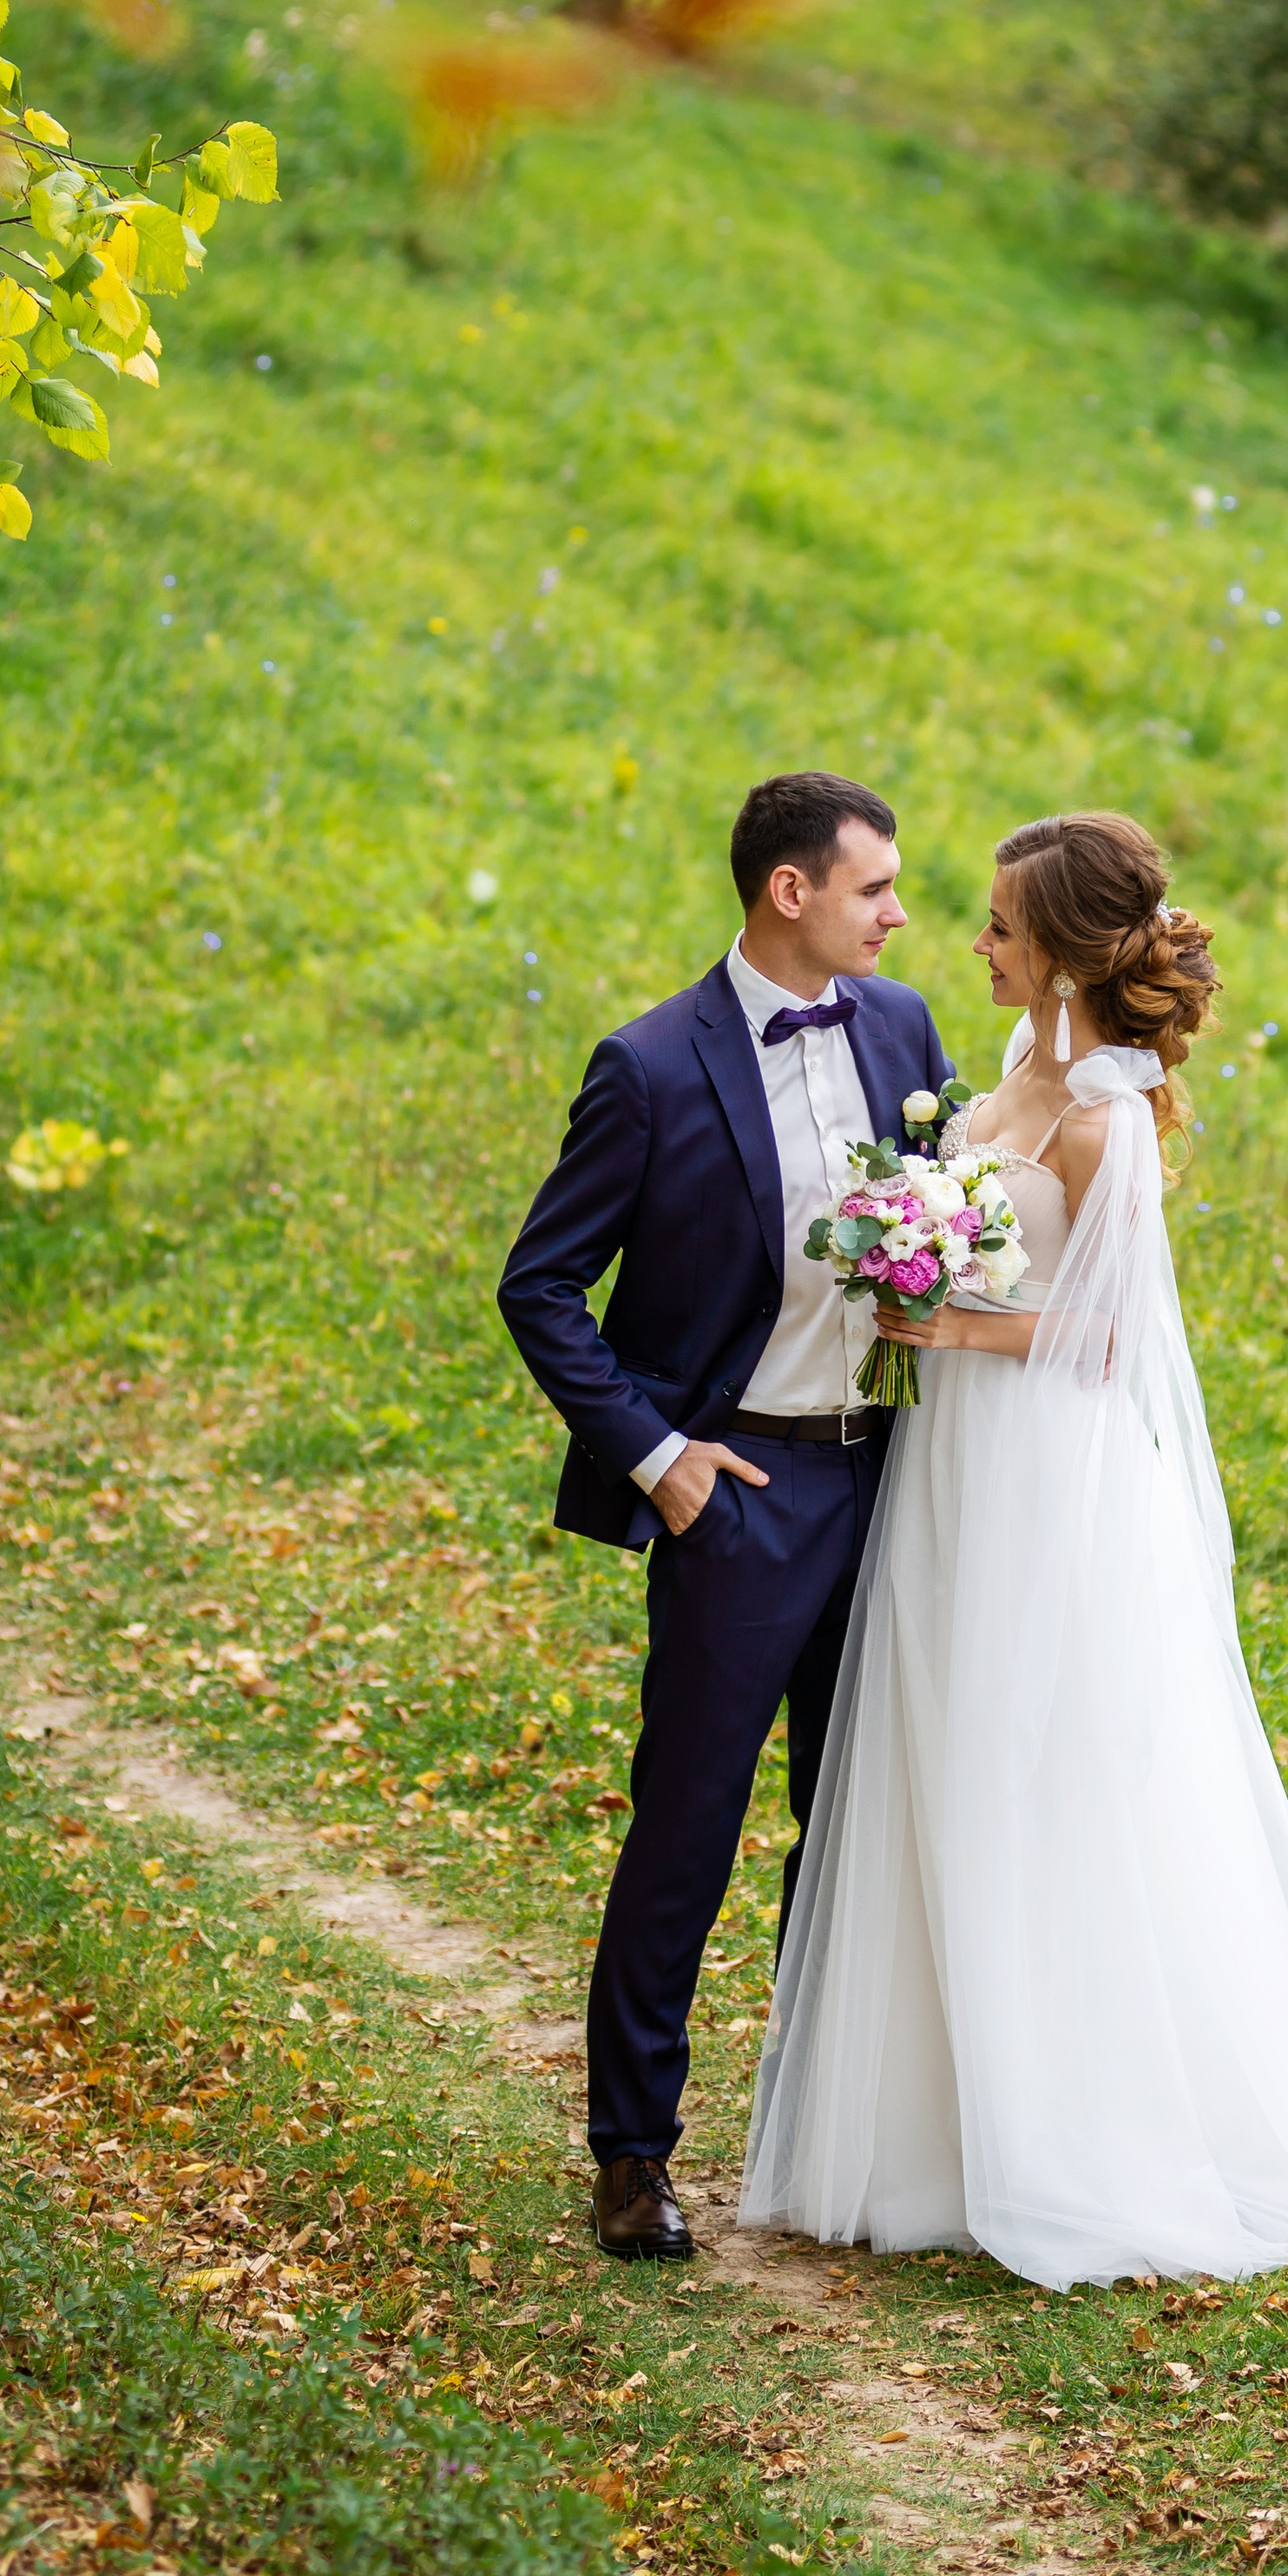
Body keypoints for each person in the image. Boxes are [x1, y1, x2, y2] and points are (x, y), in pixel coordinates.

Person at [741, 810, 1288, 2290]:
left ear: (1059, 948)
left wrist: (947, 1316)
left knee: (1042, 1767)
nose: (980, 945)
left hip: (1048, 1480)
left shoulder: (1103, 1115)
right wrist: (911, 1263)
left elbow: (1117, 1332)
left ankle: (1075, 2130)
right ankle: (930, 2134)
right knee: (945, 1755)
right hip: (954, 1466)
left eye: (1003, 925)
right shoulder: (1012, 1072)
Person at [498, 772, 953, 2262]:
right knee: (688, 1826)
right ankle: (632, 2154)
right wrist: (660, 1456)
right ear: (790, 892)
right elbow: (540, 1286)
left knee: (854, 1829)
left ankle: (822, 2141)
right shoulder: (646, 1066)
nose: (898, 911)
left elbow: (942, 1228)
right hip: (742, 1493)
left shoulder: (901, 1028)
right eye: (875, 886)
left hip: (887, 1481)